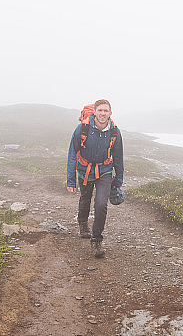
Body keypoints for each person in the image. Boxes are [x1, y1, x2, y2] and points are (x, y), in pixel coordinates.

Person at [67, 99, 124, 257]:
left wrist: (118, 180)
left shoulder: (114, 132)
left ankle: (96, 240)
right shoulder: (82, 128)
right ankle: (83, 223)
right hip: (84, 169)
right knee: (85, 198)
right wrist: (70, 180)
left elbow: (118, 157)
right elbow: (72, 154)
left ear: (110, 113)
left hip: (104, 171)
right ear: (95, 112)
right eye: (100, 110)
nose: (103, 114)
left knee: (101, 204)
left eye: (106, 111)